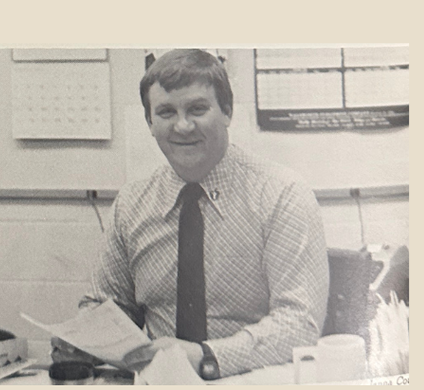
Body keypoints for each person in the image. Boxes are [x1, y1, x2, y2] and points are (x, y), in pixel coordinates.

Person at [55, 50, 328, 380]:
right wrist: (85, 337)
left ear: (227, 111)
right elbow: (108, 307)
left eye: (197, 109)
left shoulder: (282, 195)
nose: (183, 126)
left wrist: (207, 357)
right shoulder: (130, 205)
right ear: (150, 123)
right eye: (166, 112)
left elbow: (300, 323)